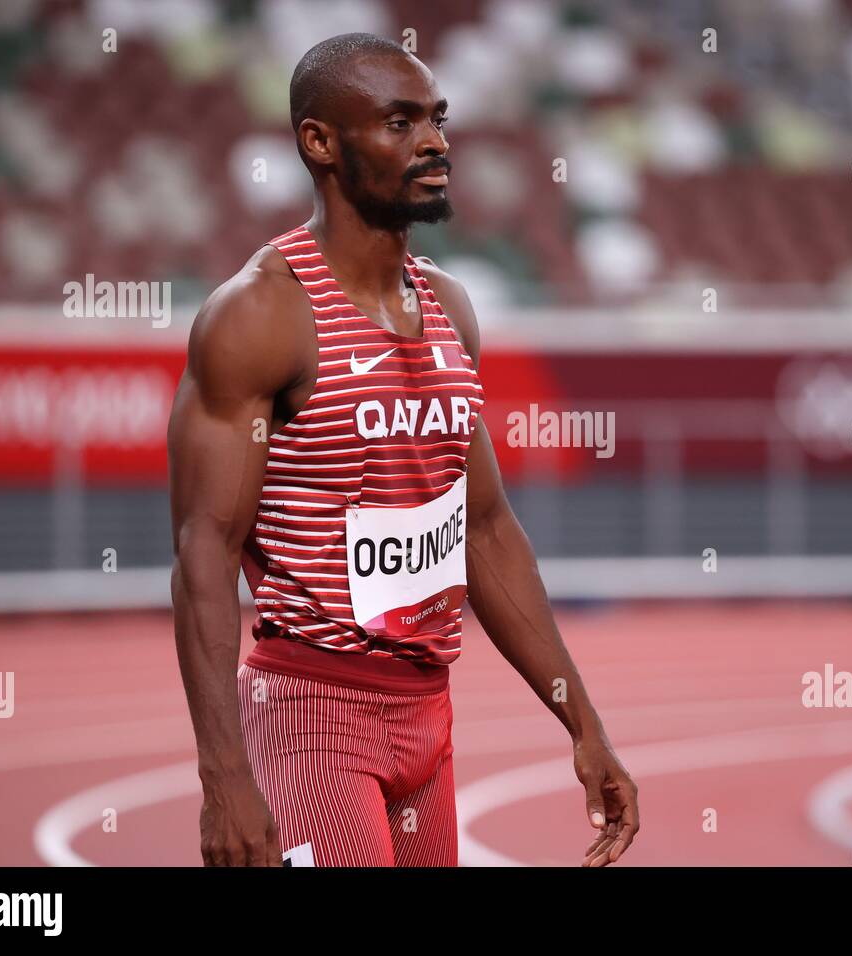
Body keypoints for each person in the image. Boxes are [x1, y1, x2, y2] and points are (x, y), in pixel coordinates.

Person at [168, 33, 638, 867]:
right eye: (400, 122)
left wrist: (583, 722)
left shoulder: (450, 309)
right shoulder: (260, 316)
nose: (435, 142)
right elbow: (206, 550)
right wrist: (223, 776)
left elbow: (487, 530)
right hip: (311, 710)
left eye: (437, 119)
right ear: (320, 143)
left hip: (428, 718)